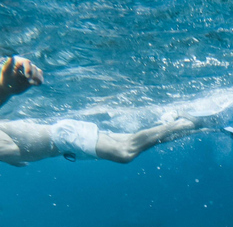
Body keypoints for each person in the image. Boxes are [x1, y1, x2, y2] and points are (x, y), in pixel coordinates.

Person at [0, 55, 218, 166]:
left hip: (64, 137)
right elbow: (17, 156)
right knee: (134, 141)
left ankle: (187, 123)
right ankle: (195, 125)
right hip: (65, 146)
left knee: (125, 152)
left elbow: (13, 152)